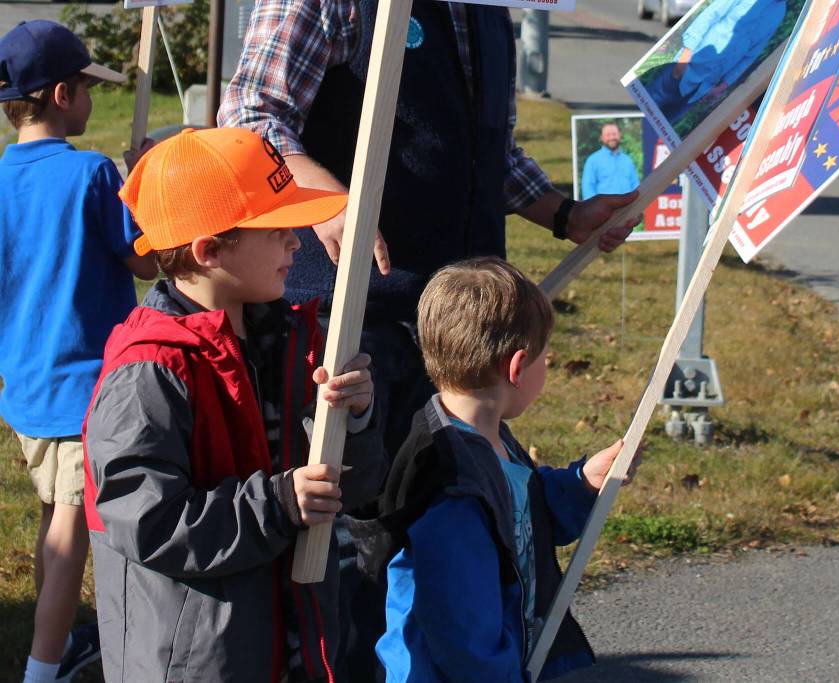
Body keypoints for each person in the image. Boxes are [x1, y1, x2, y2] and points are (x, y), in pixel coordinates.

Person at [220, 3, 642, 677]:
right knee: (355, 548)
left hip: (458, 326)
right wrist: (331, 200)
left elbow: (485, 149)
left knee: (468, 518)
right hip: (353, 316)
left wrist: (563, 213)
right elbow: (249, 117)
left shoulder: (484, 10)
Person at [82, 127, 387, 682]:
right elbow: (146, 521)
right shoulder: (149, 370)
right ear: (209, 250)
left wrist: (354, 420)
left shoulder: (291, 343)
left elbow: (356, 490)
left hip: (290, 647)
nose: (298, 241)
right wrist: (276, 503)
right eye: (276, 228)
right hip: (202, 662)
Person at [362, 257, 638, 681]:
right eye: (545, 359)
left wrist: (582, 484)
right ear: (517, 366)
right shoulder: (452, 486)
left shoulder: (491, 442)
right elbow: (463, 632)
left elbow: (523, 509)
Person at [0, 20, 158, 683]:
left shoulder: (3, 174)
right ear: (63, 94)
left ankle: (51, 642)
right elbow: (146, 258)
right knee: (70, 528)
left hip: (25, 383)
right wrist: (145, 180)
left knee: (51, 517)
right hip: (84, 385)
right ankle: (43, 668)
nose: (93, 98)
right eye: (90, 86)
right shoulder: (93, 173)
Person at [644, 0, 787, 125]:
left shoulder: (780, 12)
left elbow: (751, 55)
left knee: (657, 134)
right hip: (684, 70)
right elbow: (711, 14)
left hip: (701, 89)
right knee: (641, 112)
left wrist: (724, 85)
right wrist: (685, 56)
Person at [581, 122, 641, 200]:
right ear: (602, 137)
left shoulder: (627, 160)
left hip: (629, 208)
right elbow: (588, 189)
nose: (612, 137)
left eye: (614, 134)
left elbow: (635, 185)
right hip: (604, 210)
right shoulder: (593, 160)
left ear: (619, 135)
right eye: (608, 135)